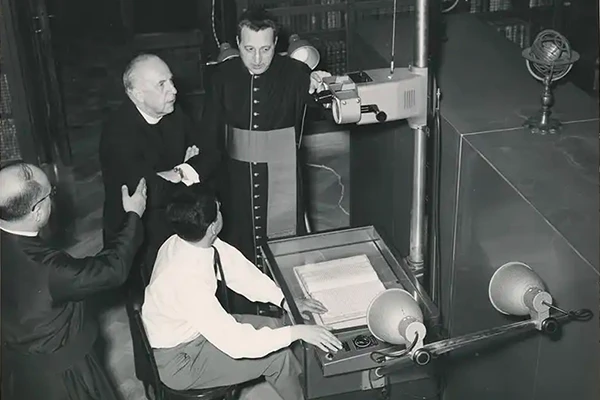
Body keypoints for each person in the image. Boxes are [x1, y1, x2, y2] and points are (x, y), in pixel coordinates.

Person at [142, 187, 342, 399]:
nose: (222, 211)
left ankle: (303, 382)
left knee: (277, 327)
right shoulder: (188, 284)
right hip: (180, 361)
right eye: (219, 209)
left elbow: (239, 272)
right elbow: (237, 344)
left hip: (192, 331)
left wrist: (284, 300)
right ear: (212, 227)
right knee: (278, 358)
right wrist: (299, 332)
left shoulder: (182, 241)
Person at [0, 162, 147, 400]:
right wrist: (133, 215)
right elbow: (112, 269)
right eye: (51, 194)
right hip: (63, 377)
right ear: (37, 212)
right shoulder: (49, 268)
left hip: (17, 372)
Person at [203, 7, 330, 271]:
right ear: (238, 43)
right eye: (249, 49)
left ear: (276, 44)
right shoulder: (221, 77)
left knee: (286, 252)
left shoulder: (296, 73)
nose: (258, 59)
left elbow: (319, 105)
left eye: (266, 49)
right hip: (236, 180)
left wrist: (323, 86)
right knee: (239, 248)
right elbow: (209, 133)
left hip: (283, 178)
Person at [100, 53, 220, 287]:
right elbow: (150, 192)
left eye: (171, 81)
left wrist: (176, 173)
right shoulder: (118, 134)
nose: (174, 90)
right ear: (137, 95)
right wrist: (187, 169)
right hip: (137, 234)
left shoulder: (173, 112)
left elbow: (212, 154)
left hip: (174, 217)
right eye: (162, 84)